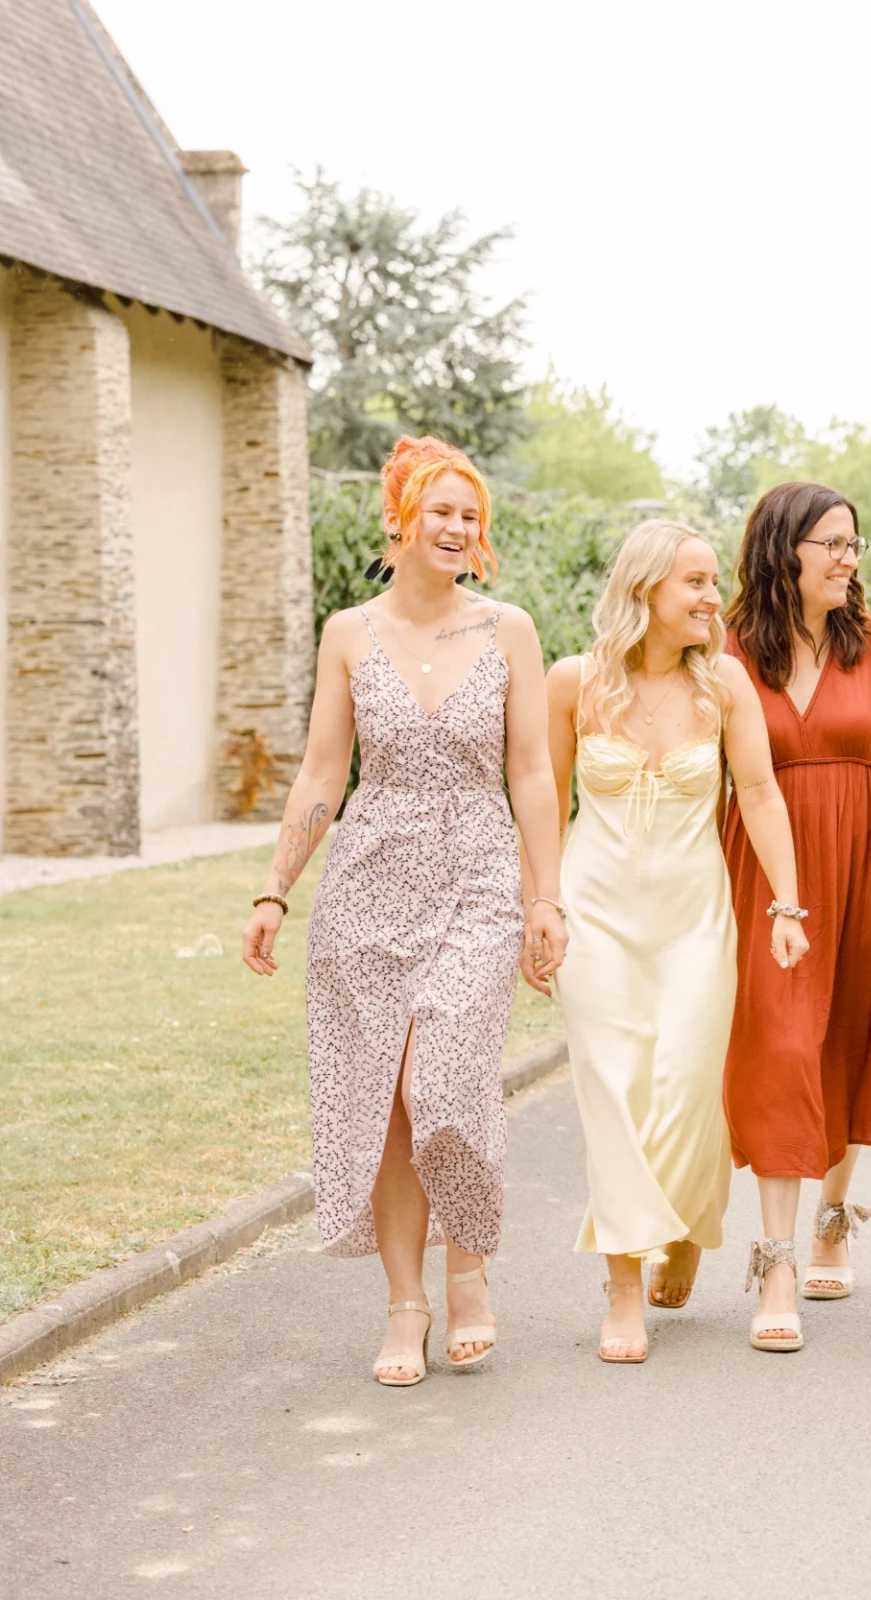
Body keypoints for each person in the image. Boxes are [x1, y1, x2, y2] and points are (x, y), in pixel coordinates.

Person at [240, 435, 566, 1388]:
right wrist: (275, 889)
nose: (460, 529)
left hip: (476, 876)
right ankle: (405, 1304)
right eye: (444, 513)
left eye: (472, 516)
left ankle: (469, 1270)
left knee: (446, 1087)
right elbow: (321, 774)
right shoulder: (348, 632)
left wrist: (545, 898)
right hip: (367, 880)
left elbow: (534, 773)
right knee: (383, 1099)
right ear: (401, 520)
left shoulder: (507, 629)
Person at [545, 521, 810, 1362]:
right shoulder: (573, 683)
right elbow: (544, 804)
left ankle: (687, 1223)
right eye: (693, 582)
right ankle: (623, 1283)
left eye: (710, 582)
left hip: (696, 919)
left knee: (689, 1083)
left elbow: (761, 795)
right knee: (614, 1090)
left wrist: (789, 906)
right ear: (644, 589)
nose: (709, 598)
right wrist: (539, 906)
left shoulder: (724, 684)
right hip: (596, 915)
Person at [720, 483, 871, 1339]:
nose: (847, 558)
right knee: (782, 1048)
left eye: (853, 545)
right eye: (831, 543)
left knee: (845, 1041)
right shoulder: (726, 650)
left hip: (865, 864)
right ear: (782, 551)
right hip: (767, 876)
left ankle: (837, 1215)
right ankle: (777, 1263)